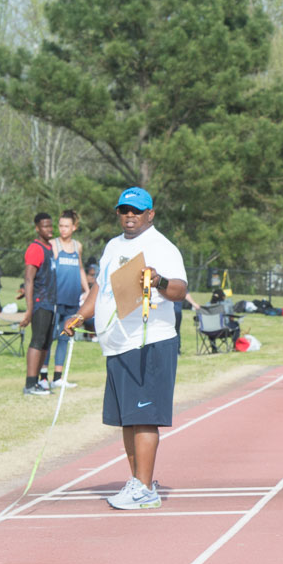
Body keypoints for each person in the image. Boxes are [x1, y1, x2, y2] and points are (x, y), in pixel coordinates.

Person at [61, 186, 187, 510]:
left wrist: (158, 281)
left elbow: (180, 289)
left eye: (136, 211)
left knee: (145, 417)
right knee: (129, 418)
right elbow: (100, 289)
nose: (129, 216)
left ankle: (144, 487)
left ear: (150, 214)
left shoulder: (161, 246)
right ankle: (137, 481)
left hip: (150, 342)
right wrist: (80, 315)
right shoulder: (112, 246)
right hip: (117, 345)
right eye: (123, 210)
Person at [47, 209, 90, 387]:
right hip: (56, 298)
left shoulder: (77, 246)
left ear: (74, 227)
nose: (63, 229)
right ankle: (42, 376)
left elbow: (80, 268)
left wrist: (87, 289)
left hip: (72, 299)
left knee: (65, 336)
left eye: (66, 226)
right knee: (49, 337)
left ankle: (58, 377)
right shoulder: (53, 244)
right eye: (60, 226)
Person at [21, 212, 57, 395]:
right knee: (37, 341)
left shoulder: (49, 247)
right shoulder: (35, 248)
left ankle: (38, 382)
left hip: (51, 302)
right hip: (40, 302)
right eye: (45, 226)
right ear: (37, 228)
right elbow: (29, 279)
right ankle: (30, 384)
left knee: (45, 342)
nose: (49, 229)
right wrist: (29, 310)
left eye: (51, 225)